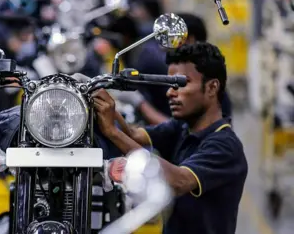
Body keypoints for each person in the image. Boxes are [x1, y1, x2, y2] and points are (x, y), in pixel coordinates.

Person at [91, 42, 248, 234]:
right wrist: (102, 100)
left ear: (212, 87)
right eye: (169, 84)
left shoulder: (225, 146)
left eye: (181, 84)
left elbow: (179, 181)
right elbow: (132, 135)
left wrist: (112, 132)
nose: (170, 92)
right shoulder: (182, 128)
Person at [134, 13, 232, 124]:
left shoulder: (210, 88)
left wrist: (141, 104)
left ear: (189, 39)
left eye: (171, 36)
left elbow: (178, 133)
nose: (163, 45)